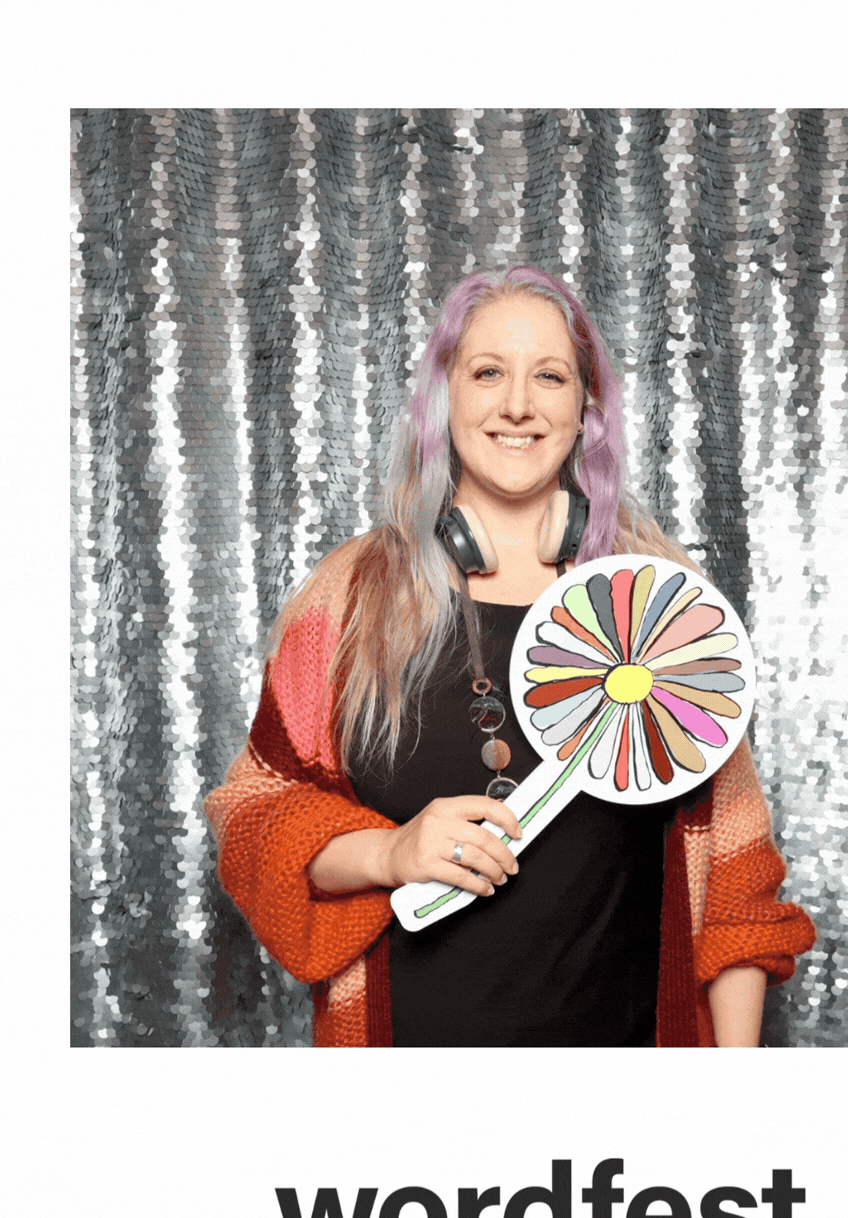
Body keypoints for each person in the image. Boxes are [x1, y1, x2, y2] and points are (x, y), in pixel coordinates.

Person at [205, 265, 815, 1047]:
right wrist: (389, 851)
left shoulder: (657, 599)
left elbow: (738, 884)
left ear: (586, 410)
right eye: (488, 372)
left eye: (550, 377)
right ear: (442, 399)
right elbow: (254, 817)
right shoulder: (350, 597)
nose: (518, 405)